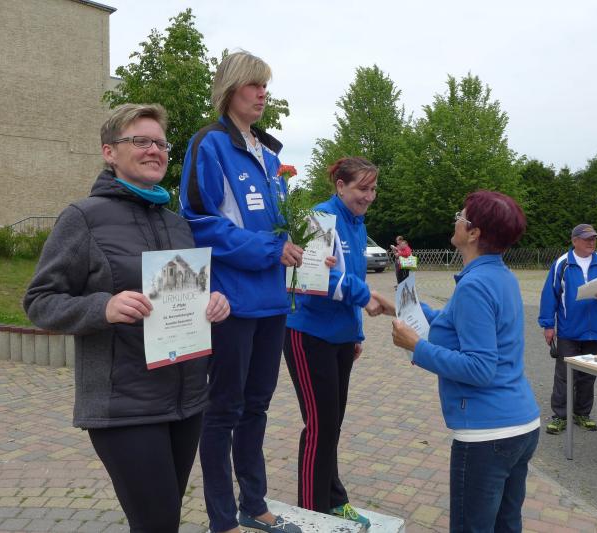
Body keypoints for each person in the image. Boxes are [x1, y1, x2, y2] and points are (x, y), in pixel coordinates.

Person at [23, 103, 231, 533]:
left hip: (187, 401)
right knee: (157, 523)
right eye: (140, 141)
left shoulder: (178, 224)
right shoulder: (83, 218)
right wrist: (102, 307)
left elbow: (184, 295)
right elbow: (40, 301)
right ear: (109, 152)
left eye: (161, 143)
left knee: (163, 521)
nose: (154, 150)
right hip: (125, 406)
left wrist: (212, 303)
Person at [178, 51, 304, 533]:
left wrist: (303, 249)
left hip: (273, 302)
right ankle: (221, 518)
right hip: (230, 302)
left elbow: (278, 228)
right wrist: (271, 249)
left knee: (257, 407)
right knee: (224, 410)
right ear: (230, 89)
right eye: (253, 84)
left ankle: (254, 502)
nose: (262, 93)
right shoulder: (209, 144)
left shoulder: (270, 156)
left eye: (265, 85)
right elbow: (198, 223)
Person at [390, 190, 540, 533]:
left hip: (488, 435)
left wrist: (417, 347)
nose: (456, 219)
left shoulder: (474, 285)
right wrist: (399, 306)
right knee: (506, 525)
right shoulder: (500, 276)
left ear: (474, 233)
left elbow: (480, 368)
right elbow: (453, 323)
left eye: (461, 215)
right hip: (520, 425)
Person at [282, 157, 387, 528]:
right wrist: (365, 296)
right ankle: (312, 512)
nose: (369, 196)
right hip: (309, 334)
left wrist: (355, 333)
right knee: (320, 425)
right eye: (362, 188)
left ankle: (334, 499)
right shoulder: (318, 218)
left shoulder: (357, 223)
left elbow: (351, 276)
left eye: (373, 189)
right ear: (340, 186)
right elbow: (312, 279)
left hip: (340, 338)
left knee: (332, 424)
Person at [538, 223, 597, 435]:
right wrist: (548, 325)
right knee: (565, 375)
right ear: (574, 240)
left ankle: (582, 413)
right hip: (569, 330)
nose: (591, 242)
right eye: (587, 239)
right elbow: (550, 294)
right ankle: (560, 416)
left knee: (588, 375)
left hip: (595, 330)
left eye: (593, 238)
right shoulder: (562, 264)